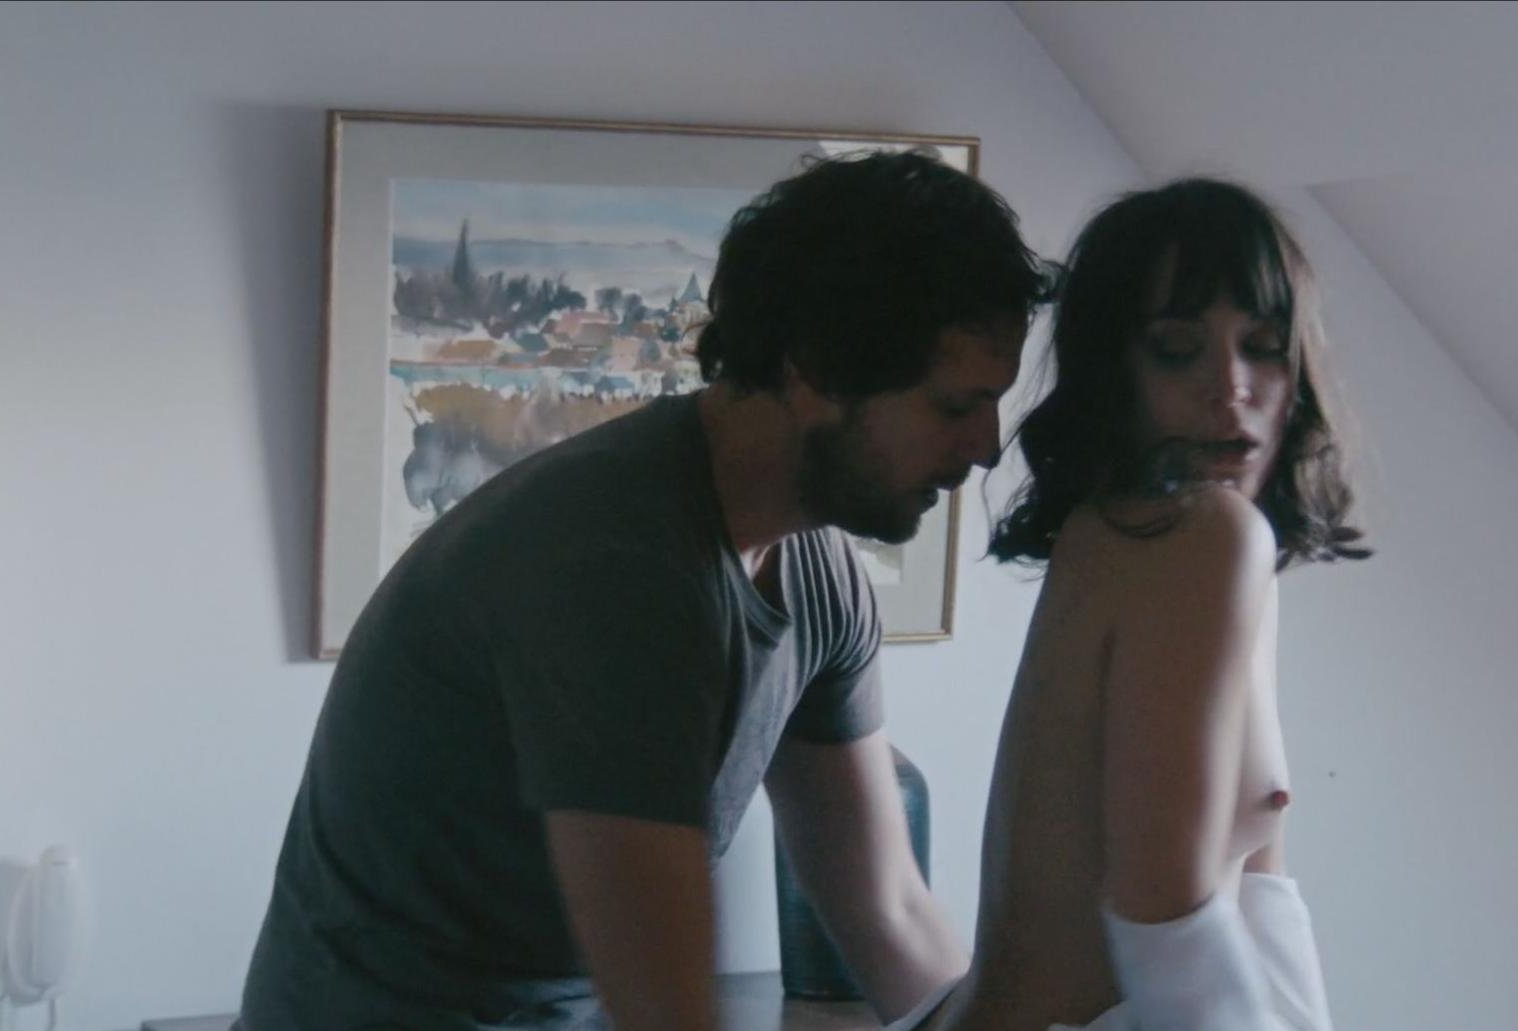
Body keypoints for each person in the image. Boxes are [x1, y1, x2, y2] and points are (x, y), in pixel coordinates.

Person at [235, 150, 1053, 1031]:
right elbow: (665, 1008)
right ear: (814, 369)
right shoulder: (614, 565)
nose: (985, 447)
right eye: (954, 406)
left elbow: (886, 909)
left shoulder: (818, 576)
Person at [889, 179, 1371, 1031]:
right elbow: (1166, 914)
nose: (1230, 386)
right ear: (1117, 372)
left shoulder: (1193, 537)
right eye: (1177, 349)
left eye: (1264, 346)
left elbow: (1259, 895)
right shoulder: (1201, 535)